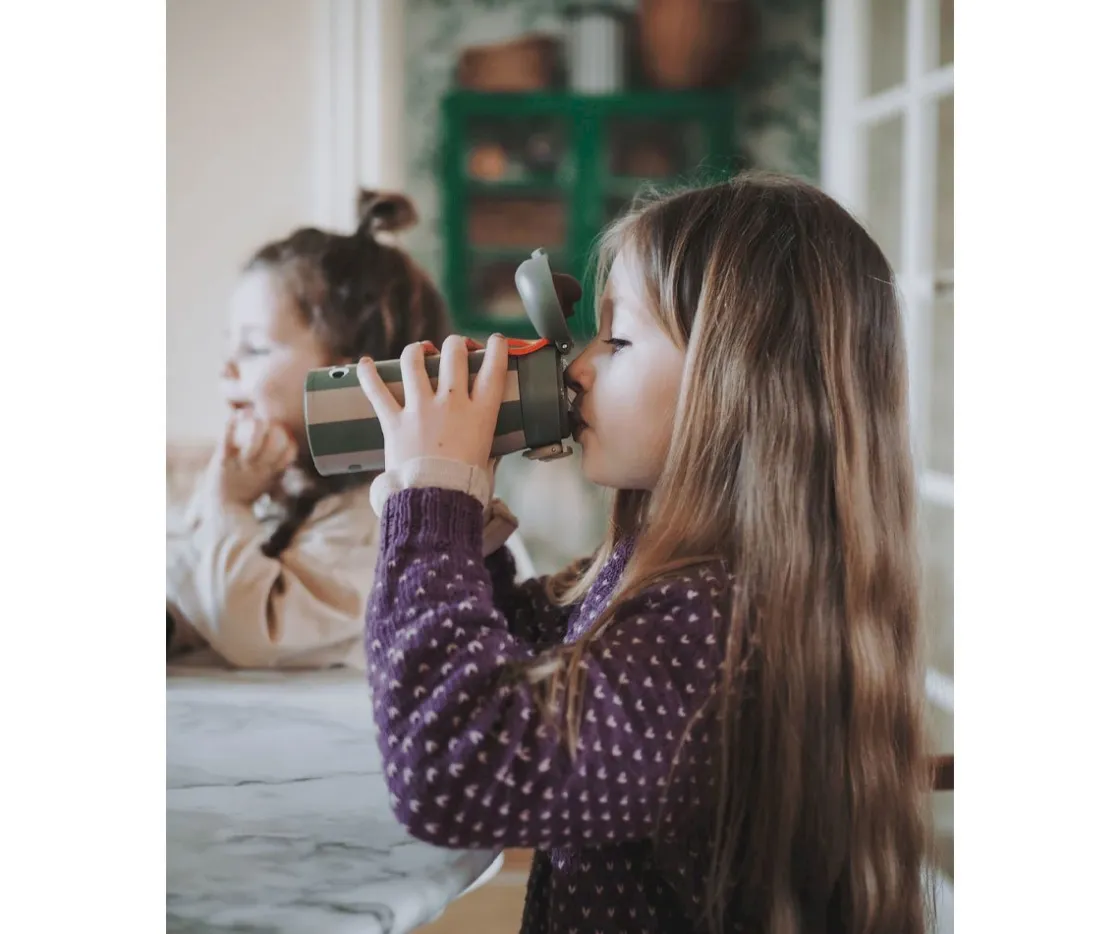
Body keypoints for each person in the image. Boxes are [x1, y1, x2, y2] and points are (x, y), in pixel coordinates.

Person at [357, 173, 934, 933]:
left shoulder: (716, 625)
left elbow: (453, 773)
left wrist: (434, 510)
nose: (577, 367)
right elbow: (514, 661)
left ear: (740, 382)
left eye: (618, 339)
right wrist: (459, 524)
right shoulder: (678, 578)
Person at [166, 189, 451, 669]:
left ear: (351, 377)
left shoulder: (381, 521)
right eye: (230, 346)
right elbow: (191, 584)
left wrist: (228, 505)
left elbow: (255, 632)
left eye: (253, 349)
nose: (226, 369)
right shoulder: (276, 484)